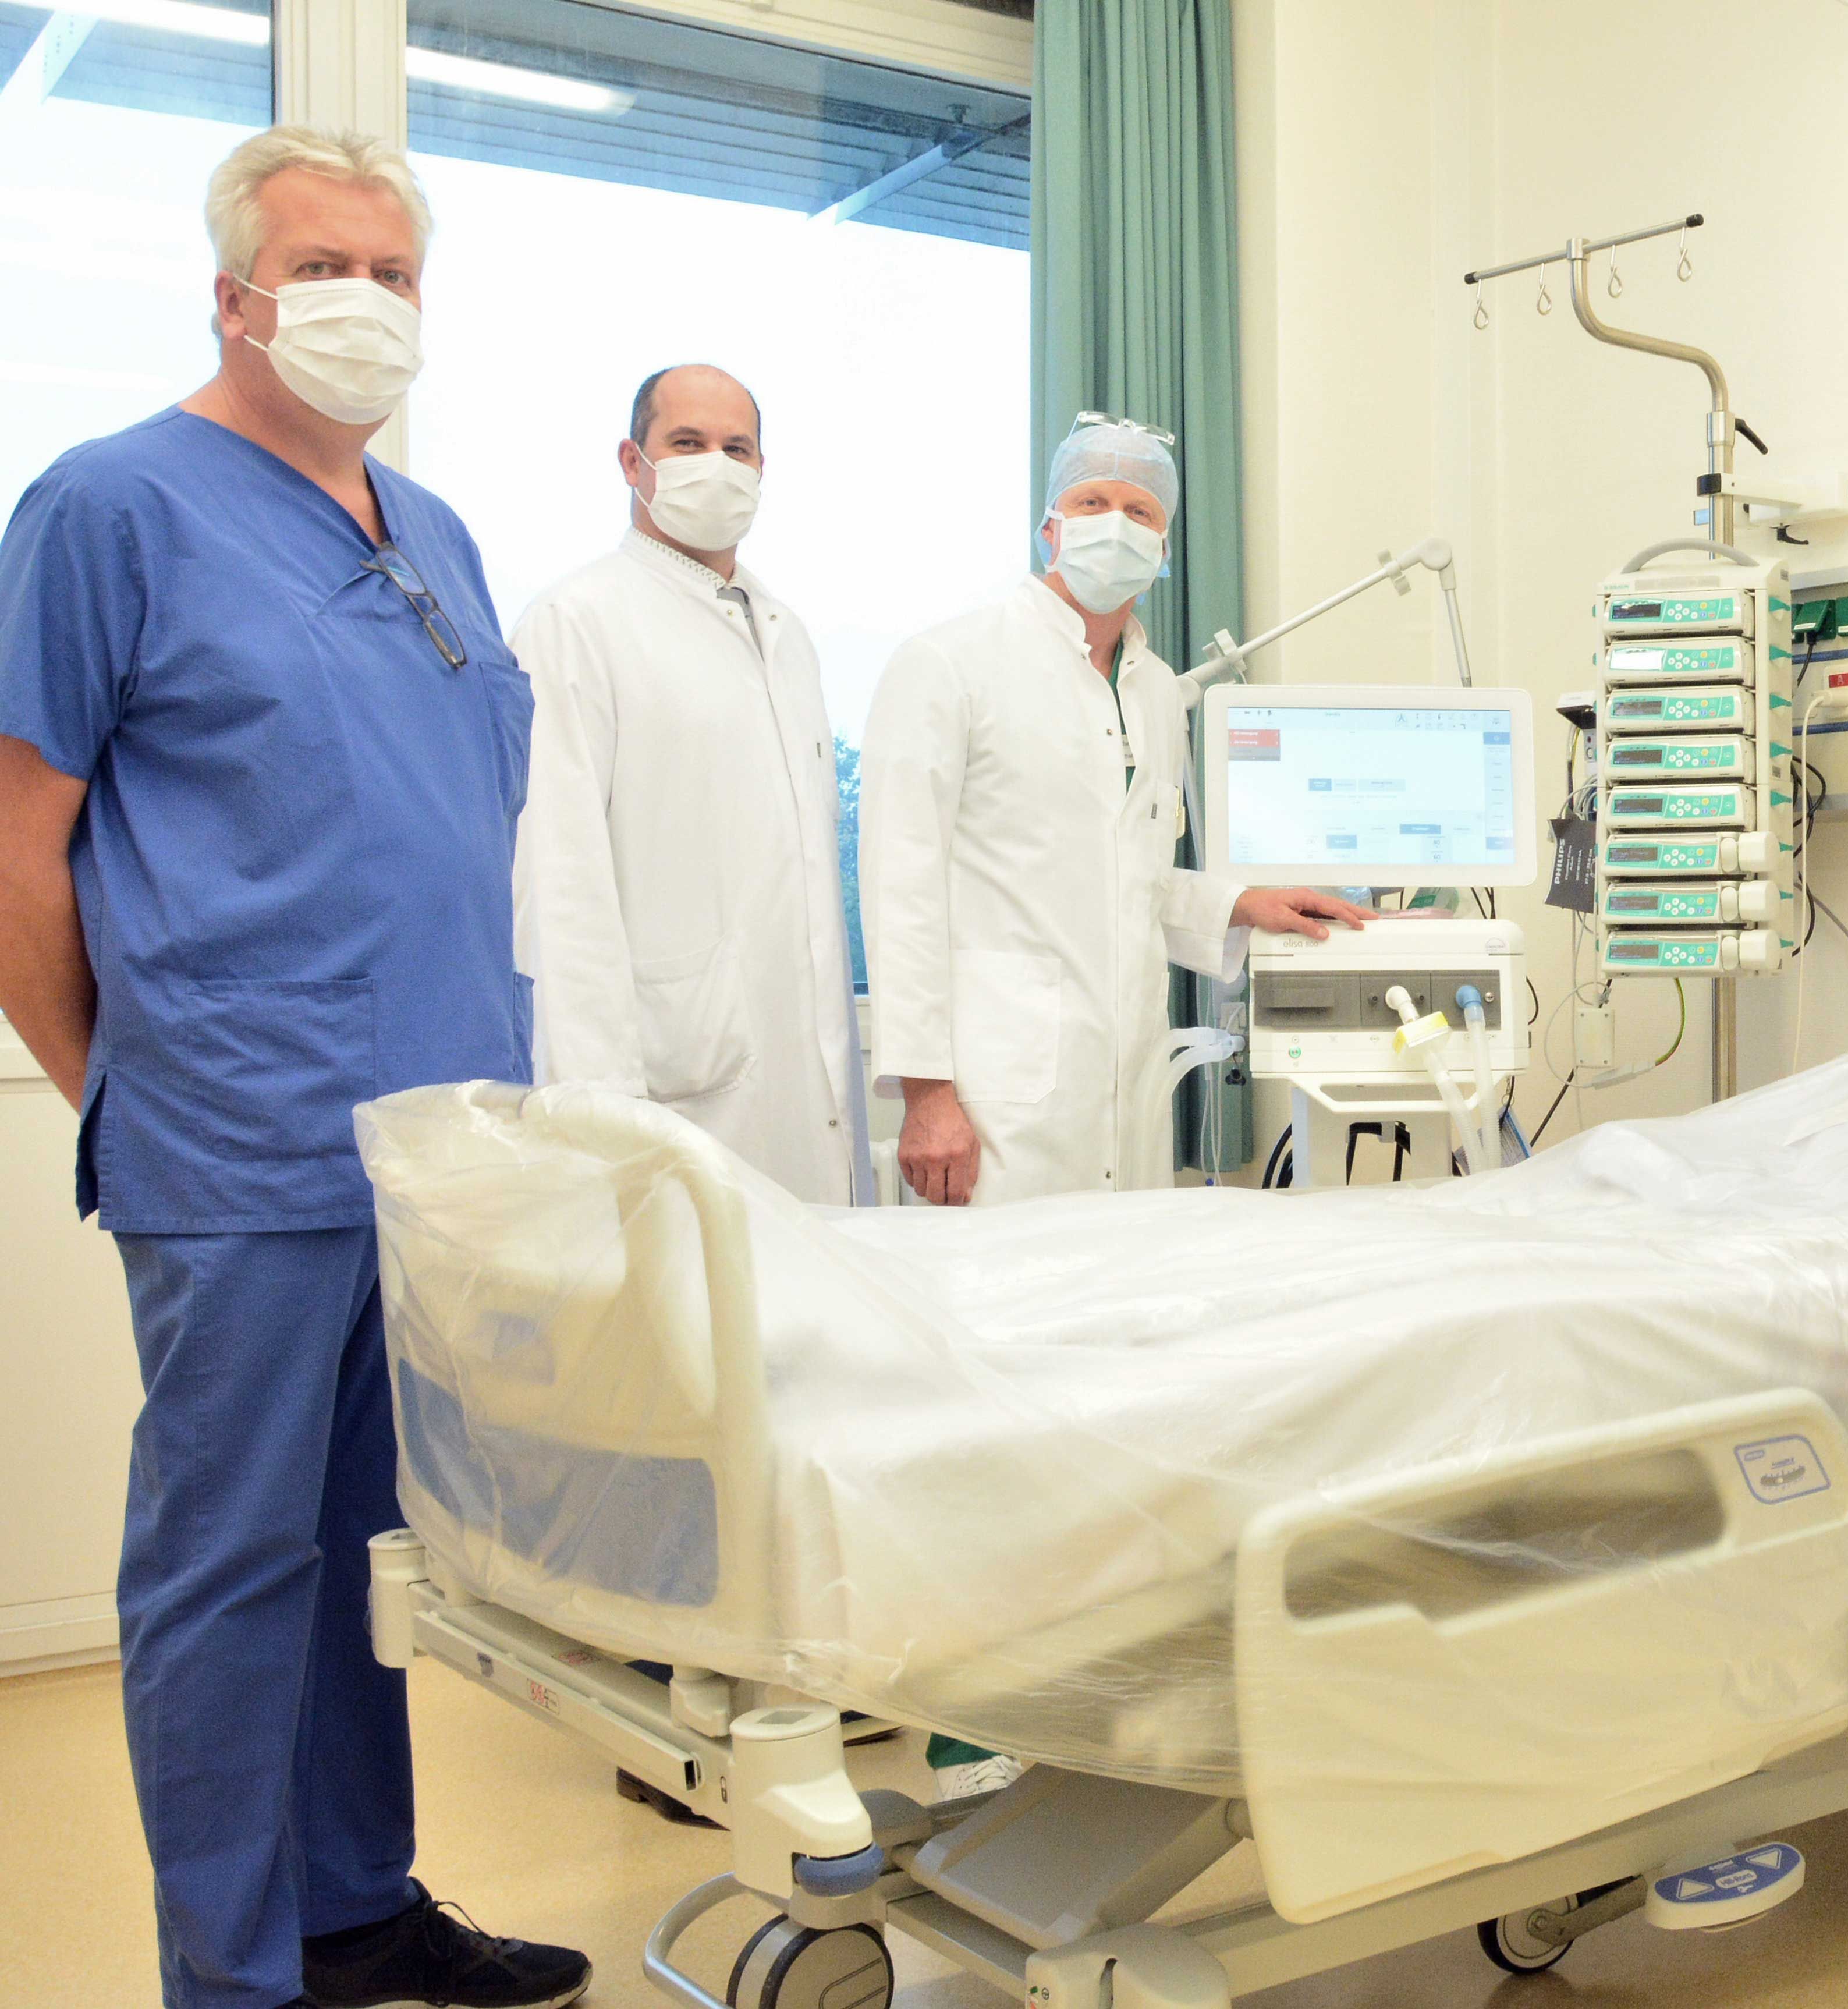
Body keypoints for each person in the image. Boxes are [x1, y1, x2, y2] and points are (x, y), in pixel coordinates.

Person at [0, 128, 587, 2009]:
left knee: (371, 1563)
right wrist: (129, 1090)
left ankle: (351, 1906)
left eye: (393, 273)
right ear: (234, 293)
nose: (363, 302)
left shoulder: (439, 536)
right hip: (238, 1144)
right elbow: (21, 844)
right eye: (324, 266)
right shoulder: (110, 509)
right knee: (226, 1574)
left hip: (436, 1151)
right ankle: (233, 1976)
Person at [860, 411, 1367, 1210]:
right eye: (1093, 503)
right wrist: (926, 1097)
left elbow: (1128, 878)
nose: (1116, 526)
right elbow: (901, 890)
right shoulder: (949, 664)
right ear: (1049, 530)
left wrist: (1240, 903)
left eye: (1141, 513)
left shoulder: (1158, 690)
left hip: (1127, 1082)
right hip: (995, 1094)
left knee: (1114, 1308)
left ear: (1163, 551)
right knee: (994, 1310)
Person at [512, 362, 874, 1207]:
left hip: (802, 1078)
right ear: (632, 463)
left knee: (808, 1326)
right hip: (672, 1087)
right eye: (687, 443)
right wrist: (597, 1116)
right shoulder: (577, 622)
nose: (715, 464)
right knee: (686, 1323)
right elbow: (559, 890)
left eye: (736, 447)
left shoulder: (785, 634)